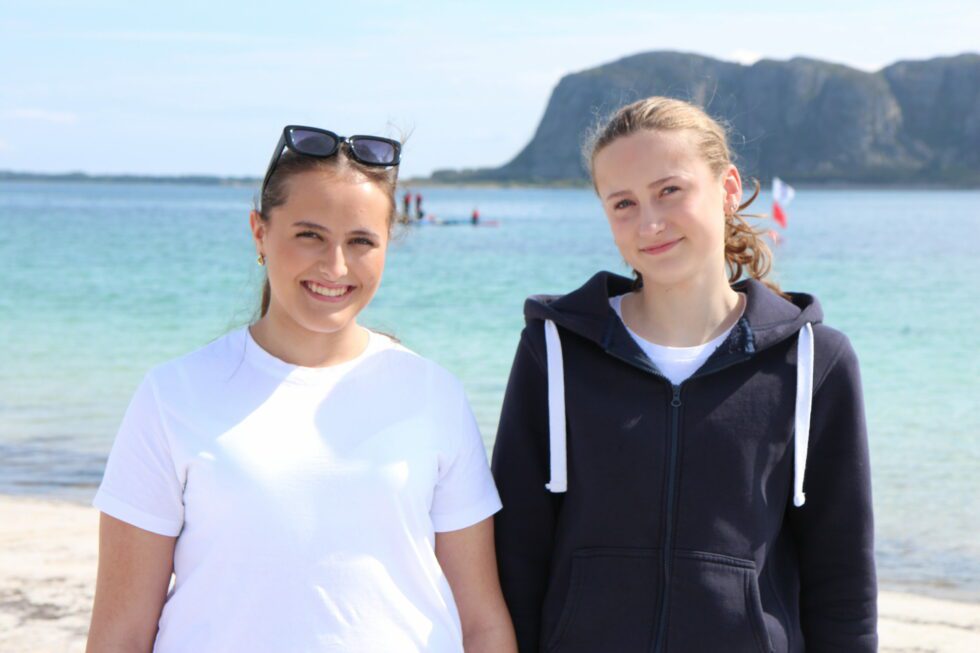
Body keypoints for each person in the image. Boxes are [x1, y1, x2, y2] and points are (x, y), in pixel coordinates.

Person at [87, 125, 517, 653]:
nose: (335, 266)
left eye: (361, 241)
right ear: (259, 233)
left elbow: (482, 623)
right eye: (310, 235)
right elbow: (122, 633)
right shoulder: (173, 395)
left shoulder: (435, 395)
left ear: (387, 245)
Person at [491, 97, 876, 652]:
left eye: (669, 190)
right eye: (623, 203)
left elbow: (842, 580)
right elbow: (516, 556)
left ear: (727, 188)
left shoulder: (816, 361)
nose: (649, 223)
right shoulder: (553, 350)